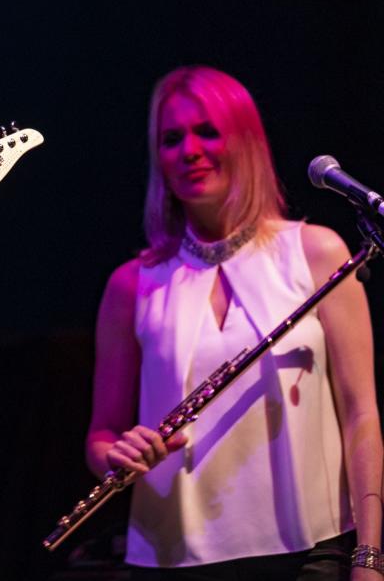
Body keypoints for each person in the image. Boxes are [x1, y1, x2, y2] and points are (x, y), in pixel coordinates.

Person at [85, 65, 383, 580]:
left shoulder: (317, 253)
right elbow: (101, 437)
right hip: (169, 560)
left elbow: (362, 415)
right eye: (171, 138)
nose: (189, 150)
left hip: (309, 552)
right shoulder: (132, 284)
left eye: (207, 130)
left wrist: (370, 557)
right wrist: (116, 454)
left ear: (246, 141)